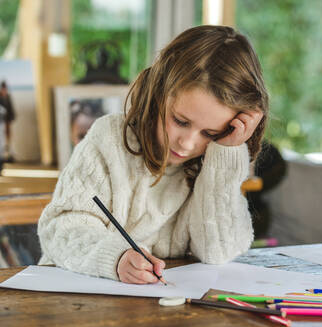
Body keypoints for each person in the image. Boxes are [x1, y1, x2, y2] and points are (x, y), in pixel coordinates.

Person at [38, 25, 269, 284]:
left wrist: (226, 152)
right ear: (158, 94)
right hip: (74, 300)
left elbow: (218, 252)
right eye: (180, 121)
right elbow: (59, 228)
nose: (187, 143)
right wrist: (115, 258)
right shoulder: (109, 139)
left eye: (210, 133)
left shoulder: (213, 159)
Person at [0, 81, 15, 161]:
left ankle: (9, 152)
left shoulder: (8, 96)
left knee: (8, 135)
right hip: (2, 121)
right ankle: (4, 154)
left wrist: (12, 117)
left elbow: (11, 108)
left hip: (7, 120)